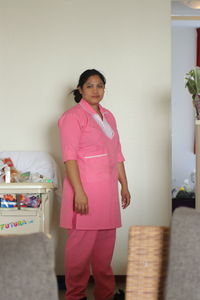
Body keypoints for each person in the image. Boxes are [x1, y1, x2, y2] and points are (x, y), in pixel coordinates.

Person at [58, 69, 131, 300]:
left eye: (100, 85)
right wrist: (79, 192)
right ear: (80, 89)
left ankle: (105, 295)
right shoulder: (72, 117)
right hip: (84, 192)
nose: (95, 90)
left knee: (104, 254)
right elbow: (69, 158)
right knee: (79, 254)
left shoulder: (108, 116)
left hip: (107, 194)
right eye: (89, 85)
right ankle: (75, 296)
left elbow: (117, 153)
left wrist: (124, 185)